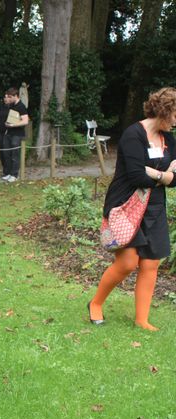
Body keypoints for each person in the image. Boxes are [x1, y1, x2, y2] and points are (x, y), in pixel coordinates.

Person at [89, 87, 176, 331]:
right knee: (127, 263)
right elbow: (137, 177)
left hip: (154, 206)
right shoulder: (133, 134)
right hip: (125, 204)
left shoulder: (169, 139)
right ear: (164, 111)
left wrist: (158, 174)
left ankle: (142, 320)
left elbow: (174, 177)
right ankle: (95, 303)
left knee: (150, 264)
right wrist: (166, 174)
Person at [2, 87, 29, 182]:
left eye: (10, 97)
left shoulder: (21, 106)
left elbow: (25, 121)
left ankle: (14, 174)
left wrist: (13, 125)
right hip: (8, 133)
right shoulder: (11, 106)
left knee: (15, 155)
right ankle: (8, 173)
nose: (8, 99)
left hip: (17, 134)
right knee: (7, 153)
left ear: (15, 96)